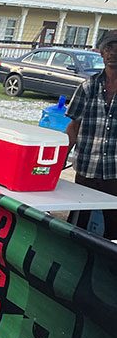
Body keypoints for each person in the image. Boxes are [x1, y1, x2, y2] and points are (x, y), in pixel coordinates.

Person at [65, 29, 117, 240]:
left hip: (115, 173)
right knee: (77, 224)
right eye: (109, 48)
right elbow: (74, 127)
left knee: (114, 227)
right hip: (86, 168)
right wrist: (59, 158)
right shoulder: (87, 87)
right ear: (101, 53)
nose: (113, 52)